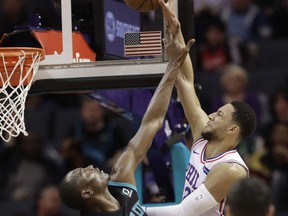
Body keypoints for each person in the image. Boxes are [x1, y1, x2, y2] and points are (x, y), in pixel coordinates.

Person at [58, 23, 195, 215]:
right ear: (87, 192)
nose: (90, 166)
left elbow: (151, 122)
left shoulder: (120, 178)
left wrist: (171, 70)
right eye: (85, 172)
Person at [144, 0, 256, 215]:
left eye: (220, 114)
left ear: (233, 129)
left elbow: (184, 212)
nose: (212, 115)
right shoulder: (204, 135)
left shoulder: (231, 169)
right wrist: (172, 26)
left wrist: (136, 211)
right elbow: (186, 81)